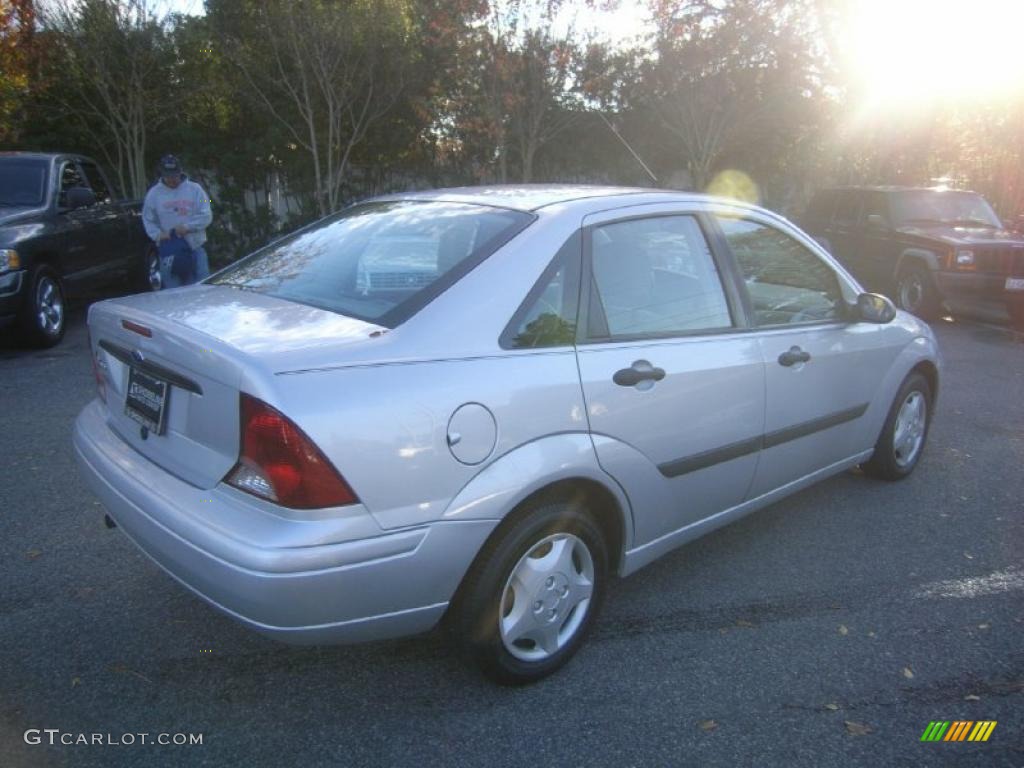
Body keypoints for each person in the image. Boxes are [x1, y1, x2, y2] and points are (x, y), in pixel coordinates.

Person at [141, 155, 213, 288]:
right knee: (173, 293)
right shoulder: (153, 195)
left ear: (180, 172)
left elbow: (207, 213)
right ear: (162, 175)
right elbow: (147, 219)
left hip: (195, 248)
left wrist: (188, 227)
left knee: (203, 289)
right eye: (168, 176)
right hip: (170, 251)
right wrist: (157, 234)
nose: (172, 180)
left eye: (175, 175)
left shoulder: (197, 190)